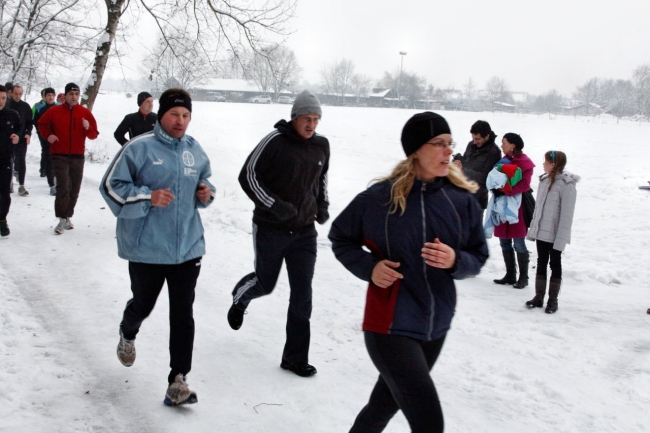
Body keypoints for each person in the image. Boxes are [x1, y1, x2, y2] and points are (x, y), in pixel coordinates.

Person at [329, 112, 488, 433]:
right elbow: (340, 238)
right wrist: (370, 268)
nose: (449, 152)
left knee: (381, 407)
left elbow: (478, 256)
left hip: (435, 326)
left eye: (450, 144)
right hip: (389, 326)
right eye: (439, 144)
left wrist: (456, 259)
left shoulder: (461, 202)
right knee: (429, 423)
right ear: (416, 149)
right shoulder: (378, 200)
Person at [99, 88, 215, 406]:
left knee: (182, 314)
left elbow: (205, 181)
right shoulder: (139, 148)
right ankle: (128, 329)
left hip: (187, 247)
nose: (181, 121)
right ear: (161, 115)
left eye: (186, 115)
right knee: (144, 304)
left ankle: (178, 380)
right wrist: (147, 197)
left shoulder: (195, 149)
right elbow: (110, 187)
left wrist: (206, 192)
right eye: (175, 114)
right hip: (147, 248)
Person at [228, 89, 330, 378]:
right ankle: (240, 297)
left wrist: (321, 205)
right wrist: (274, 205)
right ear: (295, 117)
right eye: (306, 119)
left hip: (304, 233)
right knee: (266, 283)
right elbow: (247, 175)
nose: (311, 125)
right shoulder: (275, 141)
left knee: (302, 294)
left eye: (316, 119)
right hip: (271, 228)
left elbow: (321, 179)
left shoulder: (321, 145)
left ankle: (294, 358)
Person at [37, 83, 99, 234]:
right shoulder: (55, 111)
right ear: (65, 95)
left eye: (76, 94)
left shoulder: (84, 112)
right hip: (59, 154)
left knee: (74, 188)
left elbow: (94, 134)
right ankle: (62, 218)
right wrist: (49, 135)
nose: (74, 97)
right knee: (63, 186)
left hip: (77, 155)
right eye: (71, 94)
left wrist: (87, 128)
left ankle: (67, 216)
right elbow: (41, 124)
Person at [525, 151, 578, 314]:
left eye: (546, 162)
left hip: (555, 235)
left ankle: (552, 300)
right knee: (541, 262)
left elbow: (566, 215)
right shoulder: (544, 181)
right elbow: (539, 209)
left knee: (555, 264)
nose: (543, 164)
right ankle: (539, 296)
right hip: (542, 232)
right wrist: (535, 229)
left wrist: (560, 239)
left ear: (554, 164)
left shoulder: (567, 185)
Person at [492, 133, 535, 289]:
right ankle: (510, 275)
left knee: (518, 242)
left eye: (504, 143)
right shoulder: (504, 161)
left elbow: (524, 185)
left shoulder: (524, 163)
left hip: (518, 207)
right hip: (503, 205)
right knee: (504, 241)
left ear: (513, 145)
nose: (502, 146)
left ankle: (523, 278)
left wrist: (505, 191)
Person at [453, 120, 502, 211]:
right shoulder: (471, 144)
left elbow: (486, 178)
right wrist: (458, 161)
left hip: (477, 199)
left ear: (487, 136)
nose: (474, 142)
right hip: (462, 194)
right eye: (473, 138)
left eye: (477, 139)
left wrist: (463, 170)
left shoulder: (494, 152)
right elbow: (467, 163)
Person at [0, 85, 21, 237]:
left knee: (5, 193)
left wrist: (18, 137)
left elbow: (21, 129)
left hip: (5, 159)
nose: (0, 101)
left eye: (2, 98)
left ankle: (2, 219)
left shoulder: (11, 114)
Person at [6, 85, 33, 196]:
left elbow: (30, 122)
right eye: (16, 93)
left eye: (20, 94)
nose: (18, 96)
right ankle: (9, 183)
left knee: (21, 160)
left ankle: (21, 185)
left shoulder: (25, 106)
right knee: (8, 160)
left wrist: (28, 133)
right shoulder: (6, 105)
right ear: (11, 93)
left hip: (21, 138)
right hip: (8, 139)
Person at [33, 88, 59, 195]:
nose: (51, 97)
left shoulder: (59, 107)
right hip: (45, 138)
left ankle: (58, 182)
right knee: (48, 159)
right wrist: (43, 134)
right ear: (44, 97)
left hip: (57, 138)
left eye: (52, 95)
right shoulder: (40, 108)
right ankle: (52, 185)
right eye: (48, 95)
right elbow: (36, 122)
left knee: (58, 160)